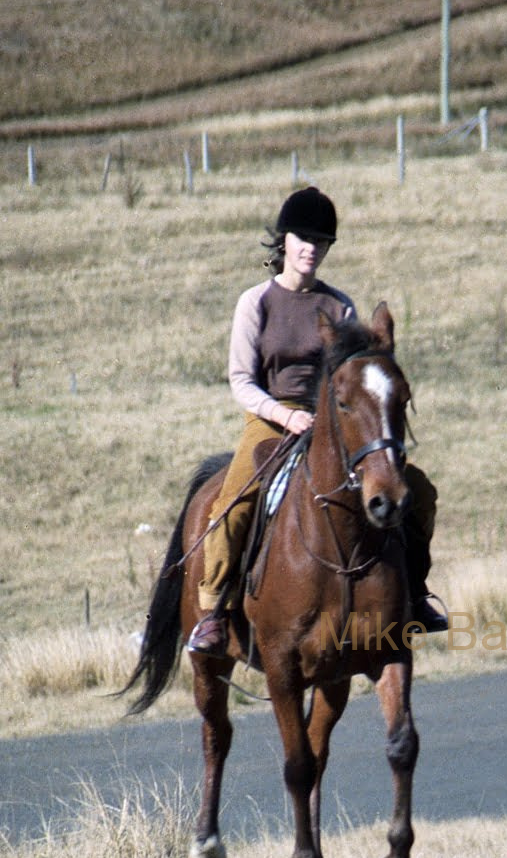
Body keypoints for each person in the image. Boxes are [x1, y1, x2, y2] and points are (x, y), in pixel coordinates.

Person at [187, 186, 446, 654]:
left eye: (321, 242)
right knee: (231, 504)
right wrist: (285, 416)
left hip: (335, 423)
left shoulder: (340, 306)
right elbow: (241, 380)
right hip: (268, 421)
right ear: (283, 241)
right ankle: (214, 611)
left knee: (419, 491)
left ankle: (416, 594)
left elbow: (359, 375)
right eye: (303, 239)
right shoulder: (256, 302)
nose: (311, 249)